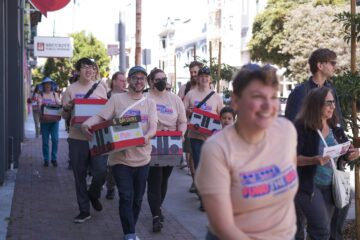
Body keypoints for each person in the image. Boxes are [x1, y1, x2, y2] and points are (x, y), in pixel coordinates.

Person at [195, 64, 298, 239]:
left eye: (273, 97)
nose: (268, 105)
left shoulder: (286, 131)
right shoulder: (217, 149)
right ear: (235, 101)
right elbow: (224, 226)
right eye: (257, 96)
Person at [81, 65, 157, 240]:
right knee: (126, 196)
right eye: (135, 78)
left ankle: (131, 228)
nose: (139, 81)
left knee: (138, 199)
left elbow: (153, 126)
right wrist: (87, 124)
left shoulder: (149, 102)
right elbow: (101, 117)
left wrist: (146, 137)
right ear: (129, 80)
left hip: (143, 157)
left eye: (142, 78)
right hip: (120, 158)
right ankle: (129, 234)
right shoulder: (117, 100)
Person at [284, 48, 346, 240]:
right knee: (300, 226)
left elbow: (337, 123)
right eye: (332, 62)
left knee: (323, 227)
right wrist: (311, 157)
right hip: (305, 174)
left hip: (330, 172)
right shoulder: (301, 92)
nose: (335, 66)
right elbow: (292, 131)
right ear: (320, 65)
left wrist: (345, 148)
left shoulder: (331, 89)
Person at [294, 87, 359, 240]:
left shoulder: (335, 128)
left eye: (333, 103)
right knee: (322, 230)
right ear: (316, 104)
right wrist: (314, 160)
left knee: (320, 230)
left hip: (331, 185)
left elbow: (343, 154)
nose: (333, 107)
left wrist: (349, 156)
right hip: (308, 186)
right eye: (329, 103)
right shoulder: (301, 127)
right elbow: (290, 158)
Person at [61, 57, 108, 223]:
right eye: (85, 67)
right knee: (79, 175)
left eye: (91, 67)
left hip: (97, 137)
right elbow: (65, 115)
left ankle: (93, 194)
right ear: (78, 70)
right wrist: (68, 107)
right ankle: (84, 210)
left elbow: (106, 111)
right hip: (77, 138)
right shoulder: (70, 90)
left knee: (102, 171)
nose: (89, 70)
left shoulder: (101, 88)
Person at [145, 68, 187, 232]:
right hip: (152, 143)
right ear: (151, 81)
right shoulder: (145, 98)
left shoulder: (175, 99)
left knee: (164, 179)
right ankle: (156, 215)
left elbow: (183, 121)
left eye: (164, 78)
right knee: (154, 179)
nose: (162, 81)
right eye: (158, 79)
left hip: (171, 142)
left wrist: (181, 134)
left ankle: (158, 207)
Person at [183, 66, 223, 211]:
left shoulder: (216, 97)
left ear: (210, 79)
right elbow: (182, 113)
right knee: (200, 166)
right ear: (198, 78)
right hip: (195, 137)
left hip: (212, 139)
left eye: (207, 76)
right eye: (201, 76)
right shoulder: (191, 95)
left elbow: (222, 116)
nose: (204, 78)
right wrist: (188, 111)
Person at [178, 61, 203, 193]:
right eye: (191, 72)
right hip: (189, 126)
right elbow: (178, 108)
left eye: (195, 72)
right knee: (192, 155)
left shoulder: (207, 87)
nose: (193, 74)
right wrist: (187, 111)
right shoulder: (185, 88)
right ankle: (195, 181)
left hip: (205, 129)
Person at [105, 71, 128, 200]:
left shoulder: (128, 95)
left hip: (124, 130)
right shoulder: (106, 96)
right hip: (109, 131)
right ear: (114, 81)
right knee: (110, 163)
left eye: (125, 81)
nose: (124, 83)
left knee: (122, 161)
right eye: (121, 80)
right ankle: (110, 187)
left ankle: (121, 187)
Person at [38, 77, 61, 167]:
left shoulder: (55, 94)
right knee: (45, 141)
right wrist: (44, 106)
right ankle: (46, 159)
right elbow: (40, 106)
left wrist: (56, 105)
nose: (48, 86)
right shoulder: (41, 95)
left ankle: (54, 158)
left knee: (55, 140)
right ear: (43, 86)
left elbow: (59, 104)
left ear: (51, 86)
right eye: (46, 85)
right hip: (44, 121)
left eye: (49, 84)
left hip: (54, 121)